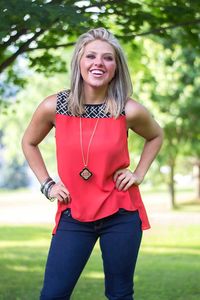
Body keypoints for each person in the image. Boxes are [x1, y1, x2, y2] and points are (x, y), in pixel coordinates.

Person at [22, 27, 163, 300]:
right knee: (53, 295)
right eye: (91, 56)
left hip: (120, 213)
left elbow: (156, 136)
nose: (98, 63)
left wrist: (139, 173)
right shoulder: (54, 106)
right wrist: (47, 184)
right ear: (79, 62)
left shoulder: (128, 110)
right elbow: (28, 142)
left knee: (120, 294)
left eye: (107, 58)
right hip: (73, 215)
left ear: (116, 67)